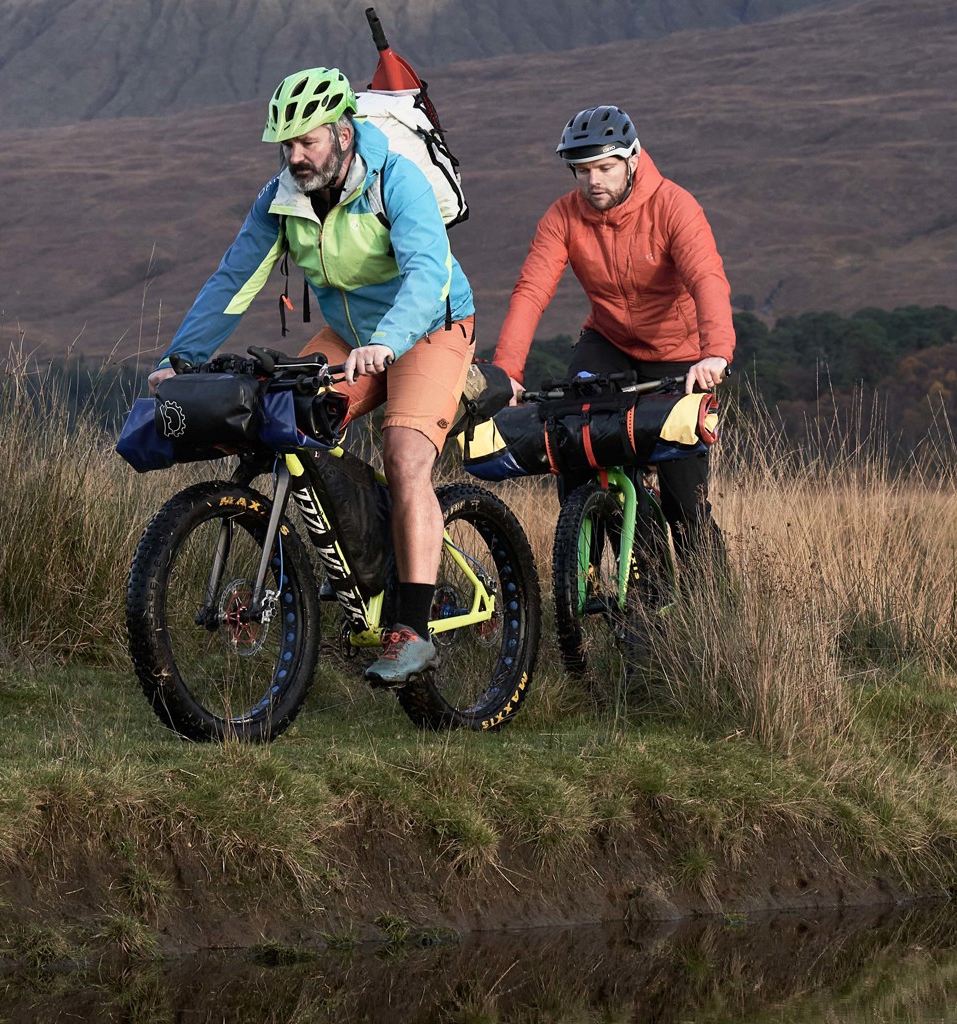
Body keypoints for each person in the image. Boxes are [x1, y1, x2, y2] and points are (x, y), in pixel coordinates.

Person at [149, 66, 476, 687]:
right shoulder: (282, 198)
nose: (295, 157)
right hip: (350, 337)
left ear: (344, 134)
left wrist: (386, 342)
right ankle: (365, 545)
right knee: (283, 423)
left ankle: (412, 629)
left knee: (405, 457)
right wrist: (182, 358)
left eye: (308, 142)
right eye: (286, 145)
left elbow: (428, 271)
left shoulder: (394, 182)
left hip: (431, 326)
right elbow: (234, 281)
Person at [492, 105, 734, 556]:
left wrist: (715, 352)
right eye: (582, 170)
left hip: (679, 352)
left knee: (685, 503)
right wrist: (507, 370)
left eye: (605, 167)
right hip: (609, 342)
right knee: (574, 441)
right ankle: (588, 564)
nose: (593, 180)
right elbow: (531, 291)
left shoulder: (674, 206)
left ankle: (709, 604)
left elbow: (707, 278)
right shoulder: (564, 216)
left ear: (633, 159)